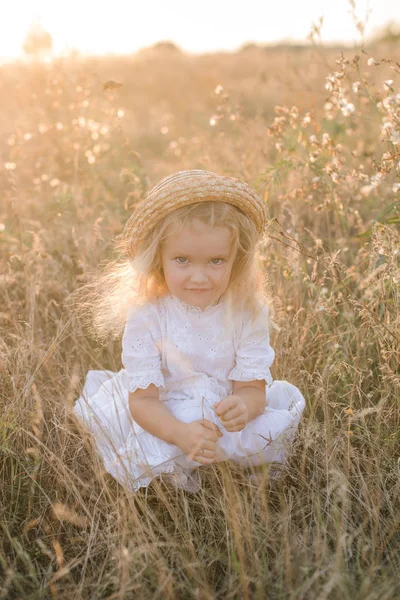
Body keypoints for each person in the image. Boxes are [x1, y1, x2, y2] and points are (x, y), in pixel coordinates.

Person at [73, 170, 306, 493]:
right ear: (159, 260)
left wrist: (244, 405)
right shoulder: (148, 316)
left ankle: (223, 458)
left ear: (236, 260)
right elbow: (143, 402)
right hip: (163, 414)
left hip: (222, 414)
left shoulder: (247, 313)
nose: (199, 276)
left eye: (215, 261)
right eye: (182, 260)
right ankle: (177, 465)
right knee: (164, 436)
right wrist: (179, 433)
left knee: (264, 431)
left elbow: (252, 389)